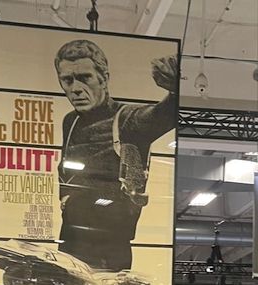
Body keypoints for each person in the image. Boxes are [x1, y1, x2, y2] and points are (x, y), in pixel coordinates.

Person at [55, 39, 177, 271]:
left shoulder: (128, 120)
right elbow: (66, 168)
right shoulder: (70, 121)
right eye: (67, 80)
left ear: (104, 78)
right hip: (70, 241)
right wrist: (67, 199)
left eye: (85, 77)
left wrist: (174, 90)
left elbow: (162, 115)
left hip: (109, 250)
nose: (76, 88)